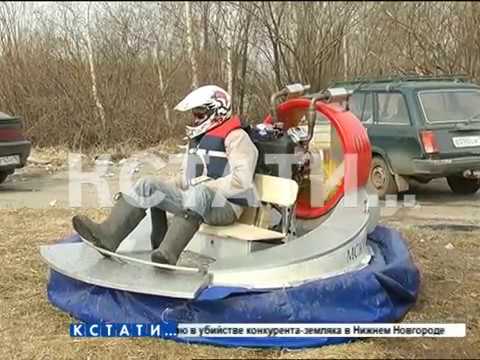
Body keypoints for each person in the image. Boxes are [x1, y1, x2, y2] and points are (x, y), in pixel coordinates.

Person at [72, 85, 259, 265]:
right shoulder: (198, 139)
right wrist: (163, 187)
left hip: (226, 207)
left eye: (200, 114)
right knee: (148, 184)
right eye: (194, 114)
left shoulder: (237, 137)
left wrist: (206, 186)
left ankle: (167, 254)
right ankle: (108, 235)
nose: (195, 119)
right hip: (195, 202)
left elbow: (241, 182)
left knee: (199, 192)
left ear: (216, 112)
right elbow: (185, 177)